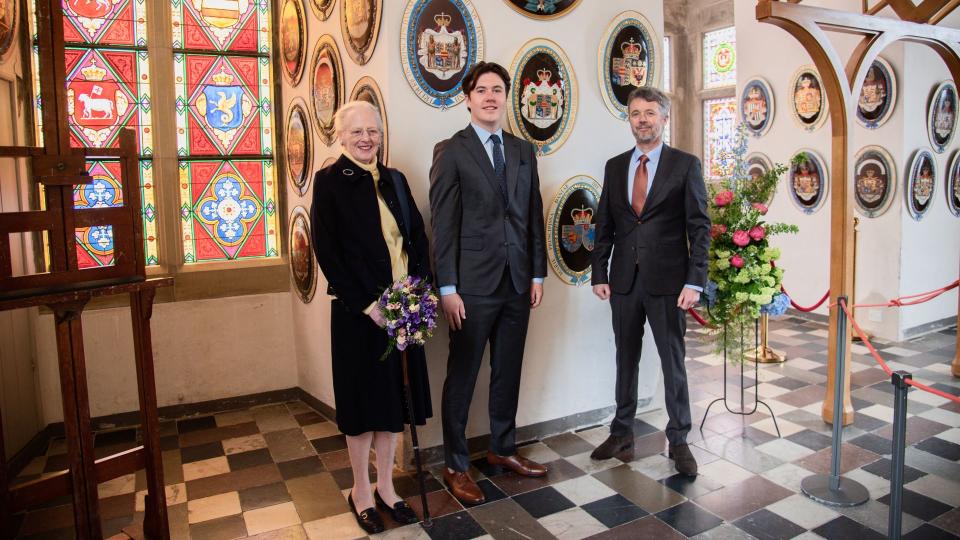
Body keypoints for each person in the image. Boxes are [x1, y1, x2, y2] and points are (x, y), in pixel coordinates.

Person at [429, 61, 548, 505]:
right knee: (462, 376)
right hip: (471, 287)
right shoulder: (452, 150)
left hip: (518, 281)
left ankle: (502, 449)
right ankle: (456, 465)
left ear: (506, 97)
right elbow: (442, 224)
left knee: (507, 371)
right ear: (468, 97)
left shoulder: (522, 150)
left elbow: (532, 214)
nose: (491, 97)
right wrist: (448, 288)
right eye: (482, 90)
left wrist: (536, 272)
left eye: (499, 89)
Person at [310, 100, 432, 533]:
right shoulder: (329, 183)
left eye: (374, 131)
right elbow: (328, 252)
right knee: (362, 408)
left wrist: (418, 294)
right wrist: (369, 305)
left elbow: (416, 237)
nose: (366, 138)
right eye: (357, 131)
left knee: (393, 404)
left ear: (382, 135)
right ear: (341, 136)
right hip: (359, 315)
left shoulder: (395, 180)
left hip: (402, 310)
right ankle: (360, 489)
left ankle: (386, 487)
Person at [589, 86, 710, 476]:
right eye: (635, 113)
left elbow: (700, 227)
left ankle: (679, 440)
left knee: (672, 362)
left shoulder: (685, 165)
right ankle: (622, 430)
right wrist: (599, 272)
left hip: (670, 284)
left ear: (664, 118)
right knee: (625, 359)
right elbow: (603, 225)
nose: (642, 119)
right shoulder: (614, 166)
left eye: (650, 113)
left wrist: (695, 281)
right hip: (624, 280)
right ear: (630, 119)